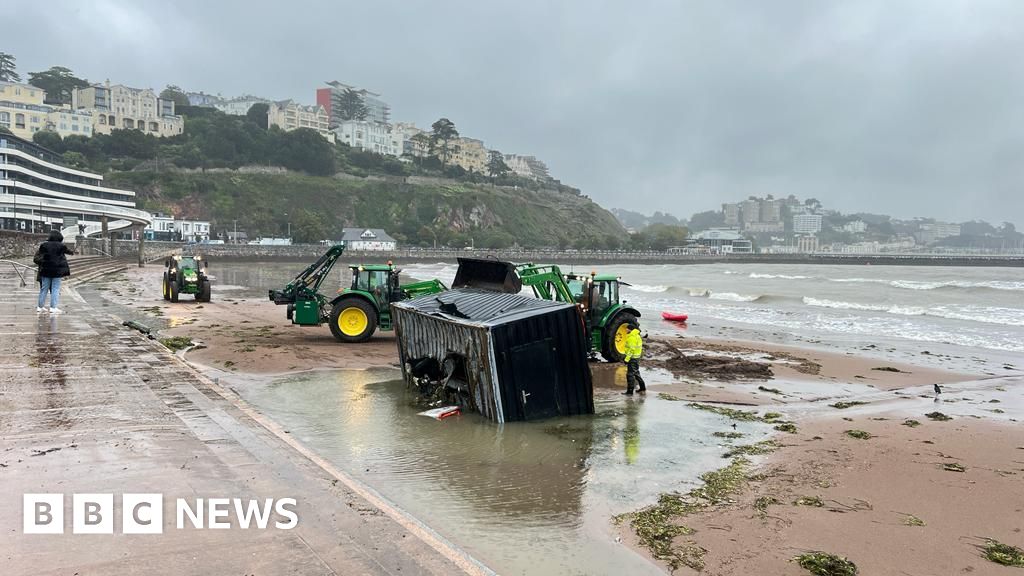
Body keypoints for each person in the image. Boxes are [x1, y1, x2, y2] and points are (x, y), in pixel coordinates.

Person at [34, 230, 74, 314]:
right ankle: (53, 307)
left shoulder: (43, 245)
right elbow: (69, 252)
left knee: (44, 289)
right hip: (56, 270)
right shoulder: (61, 246)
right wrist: (73, 251)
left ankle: (39, 307)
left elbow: (40, 255)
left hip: (45, 270)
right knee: (55, 288)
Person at [622, 320, 646, 395]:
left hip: (632, 358)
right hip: (636, 357)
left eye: (627, 328)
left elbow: (631, 349)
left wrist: (626, 359)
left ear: (630, 329)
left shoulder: (632, 337)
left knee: (630, 375)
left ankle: (630, 391)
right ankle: (642, 387)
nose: (626, 329)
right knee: (636, 372)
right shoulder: (637, 336)